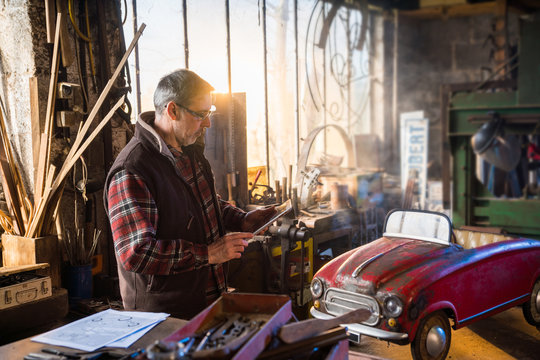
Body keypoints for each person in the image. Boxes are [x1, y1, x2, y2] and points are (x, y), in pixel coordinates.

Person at [104, 69, 275, 319]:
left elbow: (201, 202)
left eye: (210, 113)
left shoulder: (188, 150)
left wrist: (241, 219)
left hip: (204, 300)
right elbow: (137, 252)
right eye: (201, 114)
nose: (208, 123)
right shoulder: (133, 169)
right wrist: (209, 254)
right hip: (162, 316)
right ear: (173, 111)